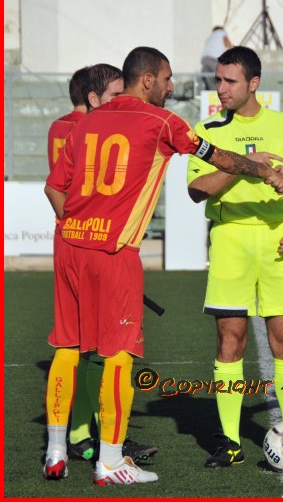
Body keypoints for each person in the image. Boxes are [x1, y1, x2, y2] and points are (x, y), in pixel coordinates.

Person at [43, 46, 283, 485]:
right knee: (118, 355)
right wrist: (262, 169)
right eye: (167, 78)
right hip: (114, 252)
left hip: (71, 245)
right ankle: (111, 461)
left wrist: (81, 230)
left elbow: (53, 188)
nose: (172, 87)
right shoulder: (161, 122)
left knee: (67, 347)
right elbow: (220, 158)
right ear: (147, 80)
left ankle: (56, 453)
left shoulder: (87, 122)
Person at [187, 46, 283, 468]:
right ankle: (230, 442)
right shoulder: (206, 129)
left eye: (230, 81)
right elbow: (197, 190)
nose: (221, 88)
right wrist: (242, 164)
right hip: (230, 239)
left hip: (276, 238)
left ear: (254, 83)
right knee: (230, 340)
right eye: (218, 80)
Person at [63, 63, 157, 465]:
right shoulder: (79, 129)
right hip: (92, 250)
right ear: (93, 98)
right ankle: (102, 442)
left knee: (86, 349)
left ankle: (78, 439)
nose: (123, 101)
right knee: (103, 351)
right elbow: (58, 188)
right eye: (116, 95)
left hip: (84, 245)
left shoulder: (84, 128)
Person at [200, 25, 232, 90]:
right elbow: (228, 44)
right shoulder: (221, 32)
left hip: (204, 59)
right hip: (214, 59)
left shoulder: (209, 37)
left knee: (210, 79)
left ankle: (213, 91)